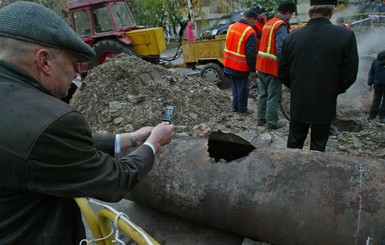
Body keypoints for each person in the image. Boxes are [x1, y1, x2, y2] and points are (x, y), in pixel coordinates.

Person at [0, 2, 175, 244]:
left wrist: (129, 139)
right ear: (45, 61)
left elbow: (39, 149)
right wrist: (154, 143)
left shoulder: (19, 113)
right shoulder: (52, 121)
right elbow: (115, 181)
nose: (76, 75)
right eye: (74, 64)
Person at [278, 0, 359, 152]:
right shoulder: (345, 35)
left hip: (300, 101)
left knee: (294, 144)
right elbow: (349, 74)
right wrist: (332, 89)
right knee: (318, 147)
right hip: (325, 102)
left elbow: (282, 72)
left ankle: (291, 173)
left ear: (309, 12)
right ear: (332, 12)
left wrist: (297, 86)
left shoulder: (292, 37)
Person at [256, 1, 296, 129]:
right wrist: (286, 65)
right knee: (273, 96)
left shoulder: (269, 23)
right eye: (291, 14)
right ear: (288, 12)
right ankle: (272, 123)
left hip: (261, 65)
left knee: (263, 94)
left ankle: (261, 120)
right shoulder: (281, 25)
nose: (291, 17)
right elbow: (280, 48)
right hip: (271, 67)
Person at [223, 8, 259, 115]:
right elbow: (251, 54)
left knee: (235, 86)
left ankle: (235, 107)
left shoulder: (232, 26)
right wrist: (253, 69)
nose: (255, 23)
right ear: (252, 19)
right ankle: (242, 109)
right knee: (243, 88)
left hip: (228, 63)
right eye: (255, 21)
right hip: (240, 65)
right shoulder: (249, 31)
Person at [367, 50, 385, 122]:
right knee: (376, 100)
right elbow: (371, 73)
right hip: (378, 85)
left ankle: (382, 116)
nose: (380, 62)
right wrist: (370, 84)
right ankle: (372, 114)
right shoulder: (375, 62)